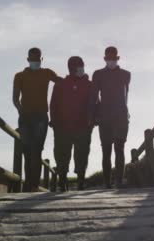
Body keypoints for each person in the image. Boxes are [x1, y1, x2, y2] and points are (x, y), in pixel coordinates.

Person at [13, 48, 61, 191]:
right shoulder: (19, 76)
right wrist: (22, 112)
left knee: (37, 150)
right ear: (28, 60)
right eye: (33, 60)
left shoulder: (47, 73)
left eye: (38, 60)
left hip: (41, 117)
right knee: (27, 151)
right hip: (25, 117)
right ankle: (28, 184)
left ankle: (34, 185)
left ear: (42, 59)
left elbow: (61, 82)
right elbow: (15, 98)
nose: (35, 62)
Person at [50, 56, 96, 191]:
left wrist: (93, 121)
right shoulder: (60, 84)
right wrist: (54, 122)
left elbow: (95, 103)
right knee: (61, 155)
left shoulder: (90, 84)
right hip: (63, 128)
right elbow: (53, 105)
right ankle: (62, 182)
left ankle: (80, 182)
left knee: (82, 154)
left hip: (83, 127)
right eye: (79, 66)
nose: (82, 68)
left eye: (82, 66)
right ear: (72, 68)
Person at [92, 46, 131, 188]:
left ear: (118, 58)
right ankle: (107, 182)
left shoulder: (126, 74)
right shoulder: (98, 74)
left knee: (119, 148)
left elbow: (126, 95)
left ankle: (119, 181)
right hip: (104, 117)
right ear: (104, 59)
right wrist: (95, 115)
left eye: (114, 58)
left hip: (121, 116)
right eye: (108, 58)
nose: (111, 61)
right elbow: (94, 96)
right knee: (106, 150)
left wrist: (126, 113)